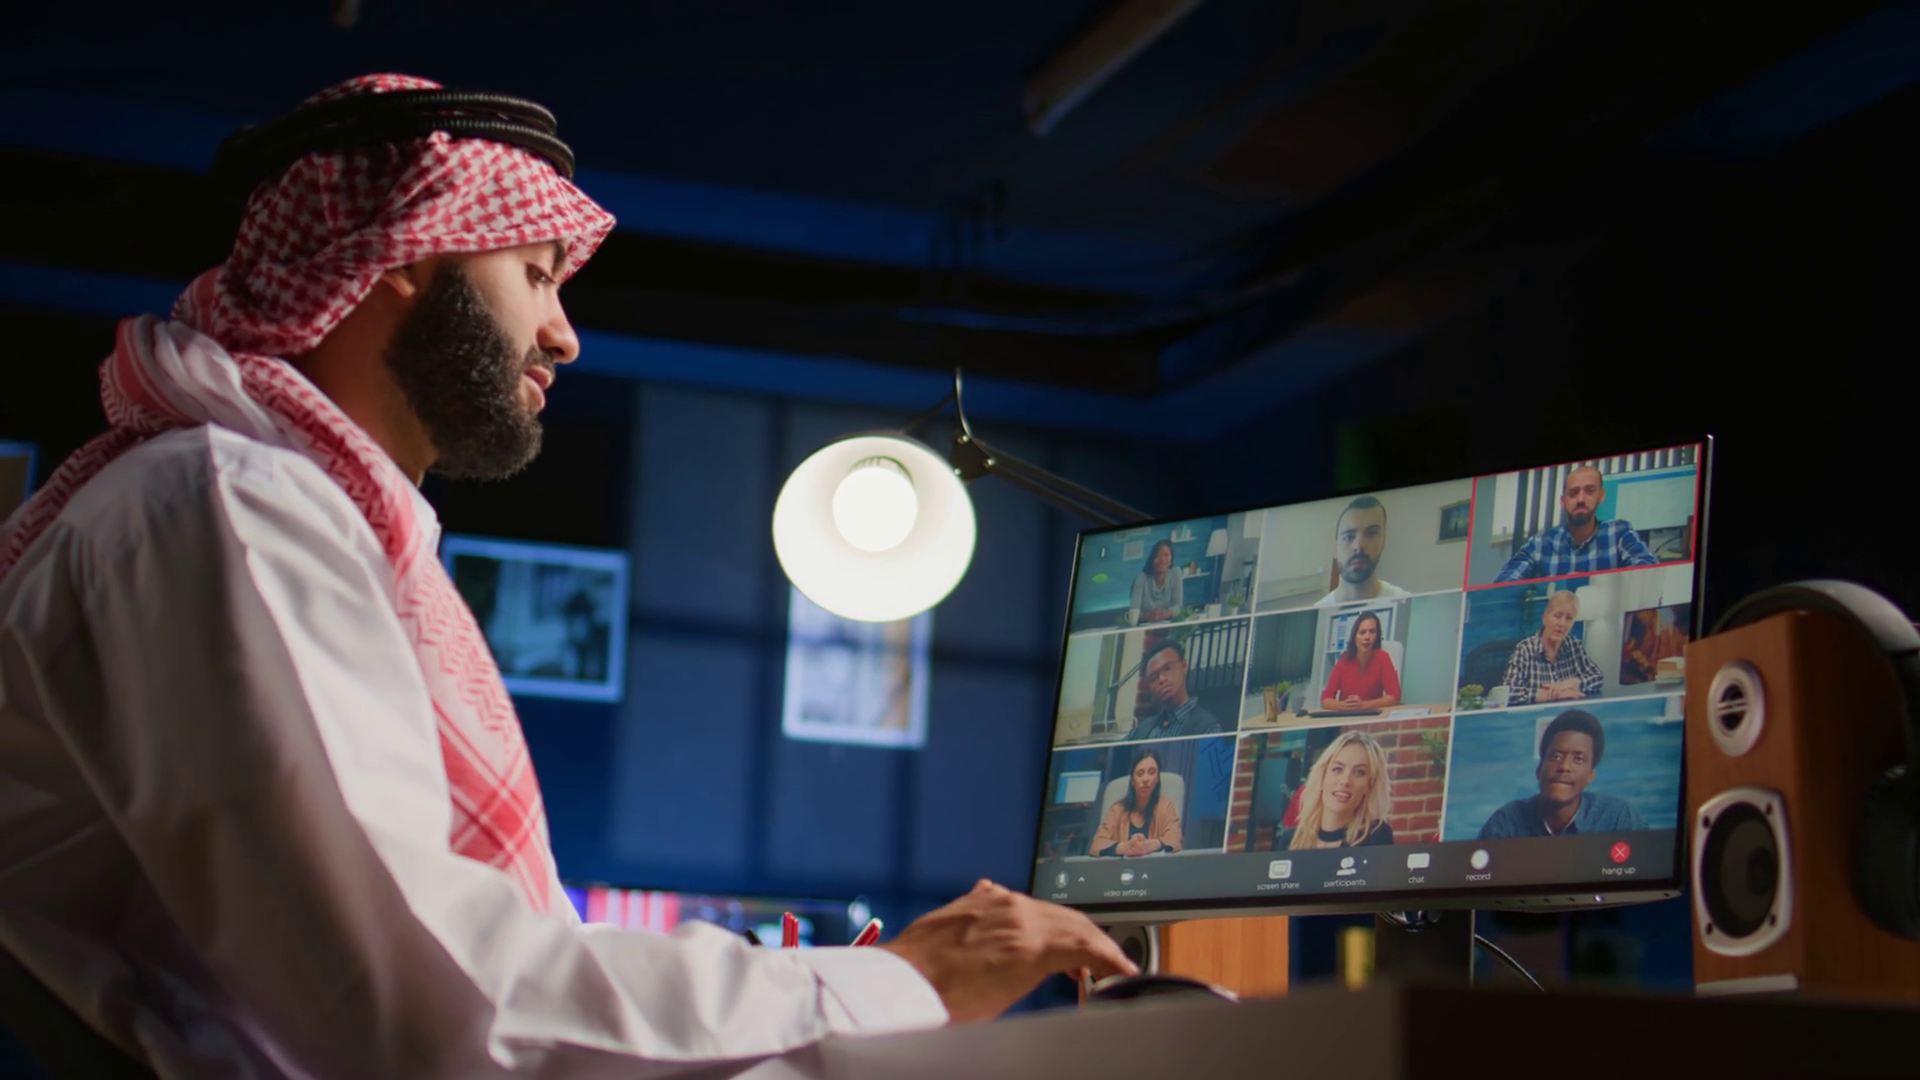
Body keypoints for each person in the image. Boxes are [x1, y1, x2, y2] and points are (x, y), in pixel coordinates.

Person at [0, 75, 1130, 1078]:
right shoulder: (231, 505)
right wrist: (903, 983)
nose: (562, 334)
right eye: (536, 275)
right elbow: (430, 1012)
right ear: (409, 255)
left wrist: (834, 999)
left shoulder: (278, 505)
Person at [1479, 709, 1648, 838]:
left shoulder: (1619, 819)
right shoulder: (1505, 823)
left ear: (1591, 775)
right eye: (1556, 756)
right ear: (1539, 769)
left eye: (1578, 759)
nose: (1565, 766)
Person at [1494, 465, 1658, 582]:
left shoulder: (1619, 532)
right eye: (1573, 493)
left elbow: (1649, 571)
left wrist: (1591, 583)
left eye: (1589, 491)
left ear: (1601, 496)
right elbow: (1504, 584)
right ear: (1563, 501)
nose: (1580, 499)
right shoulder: (1541, 542)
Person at [1275, 730, 1395, 850]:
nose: (1345, 781)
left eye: (1359, 772)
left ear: (1369, 785)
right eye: (1337, 769)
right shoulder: (1289, 840)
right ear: (1322, 777)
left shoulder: (1376, 835)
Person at [1502, 590, 1605, 706]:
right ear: (1545, 618)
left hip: (1568, 714)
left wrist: (1569, 684)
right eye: (1557, 616)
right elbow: (1507, 693)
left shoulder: (1574, 646)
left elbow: (1597, 677)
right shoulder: (1526, 650)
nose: (1562, 624)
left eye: (1568, 618)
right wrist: (1550, 695)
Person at [1315, 495, 1410, 606]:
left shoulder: (1406, 604)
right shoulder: (1318, 611)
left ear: (1383, 541)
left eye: (1371, 533)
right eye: (1349, 537)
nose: (1359, 546)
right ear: (1335, 548)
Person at [1090, 750, 1184, 857]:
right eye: (1140, 774)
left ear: (1157, 778)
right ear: (1132, 780)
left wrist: (1149, 846)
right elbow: (1097, 845)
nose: (1146, 779)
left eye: (1152, 772)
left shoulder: (1166, 806)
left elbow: (1175, 839)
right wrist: (1126, 847)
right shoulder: (1117, 809)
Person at [1125, 640, 1224, 740]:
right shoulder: (1142, 730)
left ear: (1184, 666)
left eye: (1167, 668)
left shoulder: (1207, 728)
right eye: (1154, 677)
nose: (1162, 679)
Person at [1320, 611, 1402, 711]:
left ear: (1377, 636)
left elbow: (1395, 696)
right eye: (1362, 632)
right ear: (1355, 636)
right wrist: (1344, 706)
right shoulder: (1344, 660)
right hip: (1346, 716)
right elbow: (1325, 699)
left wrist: (1363, 705)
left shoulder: (1383, 658)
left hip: (1372, 716)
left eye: (1372, 632)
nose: (1367, 637)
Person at [1130, 538, 1185, 623]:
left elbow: (1178, 606)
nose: (1162, 559)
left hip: (1168, 626)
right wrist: (1149, 616)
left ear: (1171, 560)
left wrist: (1164, 614)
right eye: (1157, 555)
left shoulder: (1175, 573)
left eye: (1166, 555)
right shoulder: (1141, 578)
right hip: (1145, 626)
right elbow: (1133, 613)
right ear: (1152, 560)